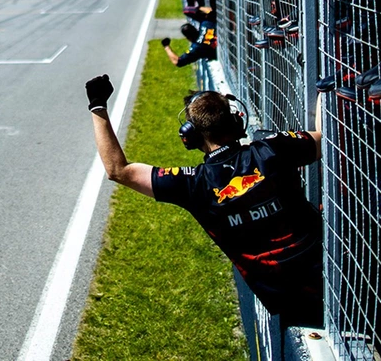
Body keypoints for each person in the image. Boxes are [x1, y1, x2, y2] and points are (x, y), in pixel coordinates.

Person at [84, 78, 324, 328]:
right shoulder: (274, 149)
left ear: (190, 136)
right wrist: (323, 89)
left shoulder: (192, 184)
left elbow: (118, 170)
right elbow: (324, 138)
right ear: (237, 122)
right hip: (336, 269)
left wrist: (97, 106)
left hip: (289, 301)